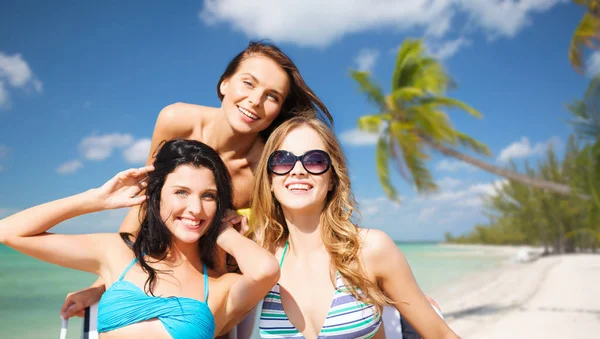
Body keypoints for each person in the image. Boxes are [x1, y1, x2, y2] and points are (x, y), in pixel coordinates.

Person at [60, 40, 332, 338]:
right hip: (168, 271)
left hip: (227, 281)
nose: (255, 100)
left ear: (278, 109)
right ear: (224, 84)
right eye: (248, 83)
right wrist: (100, 284)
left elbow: (290, 225)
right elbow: (147, 203)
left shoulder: (266, 164)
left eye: (272, 96)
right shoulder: (177, 120)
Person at [0, 139, 280, 338]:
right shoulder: (118, 253)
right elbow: (9, 232)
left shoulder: (220, 287)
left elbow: (265, 270)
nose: (195, 208)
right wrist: (96, 199)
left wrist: (224, 231)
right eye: (181, 192)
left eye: (208, 196)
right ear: (157, 196)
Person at [252, 115, 459, 338]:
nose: (298, 170)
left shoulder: (369, 249)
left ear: (332, 178)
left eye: (315, 160)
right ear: (270, 179)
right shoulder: (261, 261)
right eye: (283, 160)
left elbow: (441, 335)